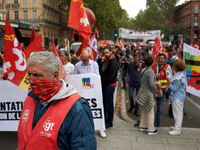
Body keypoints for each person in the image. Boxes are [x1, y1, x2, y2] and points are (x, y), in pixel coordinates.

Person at [18, 51, 96, 150]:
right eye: (29, 75)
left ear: (55, 75)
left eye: (37, 75)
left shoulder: (76, 108)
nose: (31, 80)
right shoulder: (30, 97)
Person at [73, 51, 106, 138]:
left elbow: (97, 76)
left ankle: (100, 128)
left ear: (90, 57)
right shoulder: (77, 65)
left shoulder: (94, 64)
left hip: (93, 90)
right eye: (83, 60)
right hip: (82, 91)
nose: (85, 62)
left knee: (96, 108)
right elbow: (75, 78)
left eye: (86, 60)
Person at [135, 56, 158, 135]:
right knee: (150, 111)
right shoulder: (150, 71)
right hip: (148, 92)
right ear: (152, 63)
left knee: (144, 110)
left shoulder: (144, 70)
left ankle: (143, 125)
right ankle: (151, 129)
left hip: (143, 91)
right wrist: (156, 87)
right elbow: (152, 84)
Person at [100, 46, 119, 129]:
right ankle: (106, 119)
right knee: (104, 103)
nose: (106, 54)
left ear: (110, 52)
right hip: (105, 85)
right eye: (104, 53)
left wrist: (100, 80)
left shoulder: (113, 62)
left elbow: (110, 76)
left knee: (109, 104)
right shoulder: (105, 61)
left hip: (109, 86)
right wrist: (99, 58)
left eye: (107, 53)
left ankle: (109, 121)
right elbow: (99, 68)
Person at [152, 53, 172, 127]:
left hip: (162, 91)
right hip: (153, 90)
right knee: (150, 107)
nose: (160, 59)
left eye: (162, 58)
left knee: (159, 108)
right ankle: (149, 121)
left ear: (164, 59)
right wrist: (154, 76)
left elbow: (170, 78)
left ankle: (157, 122)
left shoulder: (167, 67)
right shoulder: (153, 65)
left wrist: (168, 88)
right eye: (159, 58)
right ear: (157, 58)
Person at [167, 60, 186, 135]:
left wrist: (169, 81)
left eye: (174, 65)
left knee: (177, 113)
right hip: (180, 96)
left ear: (176, 67)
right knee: (179, 113)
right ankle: (177, 127)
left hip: (177, 97)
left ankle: (177, 129)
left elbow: (174, 88)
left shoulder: (178, 77)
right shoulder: (180, 74)